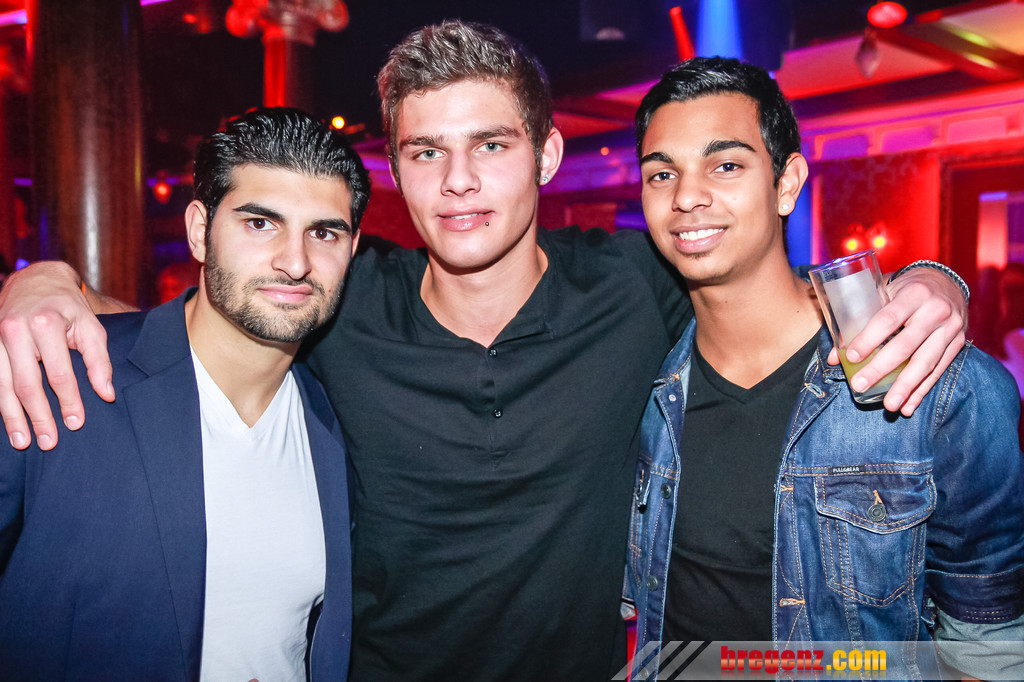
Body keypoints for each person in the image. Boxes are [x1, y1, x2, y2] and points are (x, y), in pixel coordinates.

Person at [0, 22, 971, 680]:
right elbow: (207, 319)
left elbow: (763, 286)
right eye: (426, 152)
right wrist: (46, 283)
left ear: (546, 156)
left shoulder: (635, 284)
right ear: (395, 171)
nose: (458, 181)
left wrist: (935, 279)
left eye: (491, 146)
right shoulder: (342, 301)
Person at [624, 57, 1023, 680]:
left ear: (786, 183)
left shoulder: (939, 384)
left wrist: (939, 278)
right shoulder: (641, 381)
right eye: (661, 174)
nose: (686, 196)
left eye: (726, 165)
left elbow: (989, 648)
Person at [0, 108, 370, 680]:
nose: (295, 262)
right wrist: (37, 278)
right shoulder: (61, 379)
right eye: (260, 223)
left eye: (323, 233)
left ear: (352, 248)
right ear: (200, 230)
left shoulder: (336, 417)